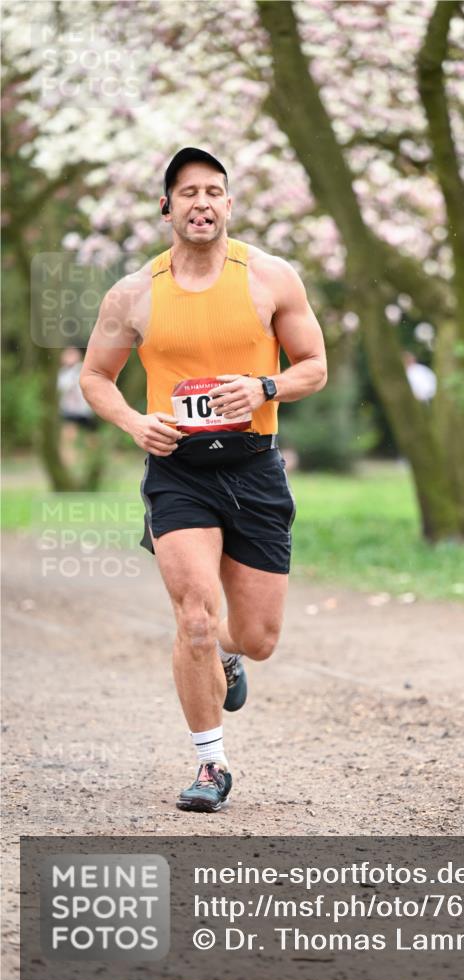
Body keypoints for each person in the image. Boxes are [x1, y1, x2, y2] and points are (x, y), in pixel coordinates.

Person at [80, 147, 327, 812]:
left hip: (253, 467)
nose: (202, 204)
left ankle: (229, 652)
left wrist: (263, 386)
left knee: (257, 638)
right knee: (192, 617)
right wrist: (136, 423)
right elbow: (94, 377)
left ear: (229, 204)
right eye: (188, 192)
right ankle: (211, 765)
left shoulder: (269, 278)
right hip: (178, 474)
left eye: (214, 192)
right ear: (167, 207)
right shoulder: (133, 294)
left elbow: (313, 366)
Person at [57, 346, 97, 464]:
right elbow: (63, 389)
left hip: (84, 410)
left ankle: (93, 462)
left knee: (91, 439)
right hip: (69, 410)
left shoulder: (83, 369)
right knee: (68, 438)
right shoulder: (62, 373)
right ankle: (68, 463)